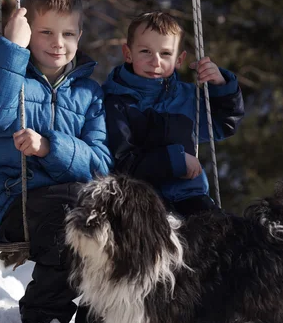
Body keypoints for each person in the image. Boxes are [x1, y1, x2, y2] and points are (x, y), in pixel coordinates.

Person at [0, 0, 113, 323]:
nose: (57, 42)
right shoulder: (11, 77)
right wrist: (11, 49)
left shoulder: (90, 94)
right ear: (29, 31)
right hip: (20, 199)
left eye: (68, 33)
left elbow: (101, 162)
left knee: (115, 229)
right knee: (68, 228)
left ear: (80, 35)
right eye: (45, 31)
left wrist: (50, 146)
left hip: (77, 201)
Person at [103, 11, 245, 218]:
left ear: (179, 59)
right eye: (145, 51)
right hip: (140, 204)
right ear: (128, 53)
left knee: (227, 236)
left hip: (190, 198)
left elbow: (225, 124)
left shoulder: (188, 99)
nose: (156, 62)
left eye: (165, 54)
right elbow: (122, 165)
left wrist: (222, 87)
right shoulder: (116, 102)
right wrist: (175, 161)